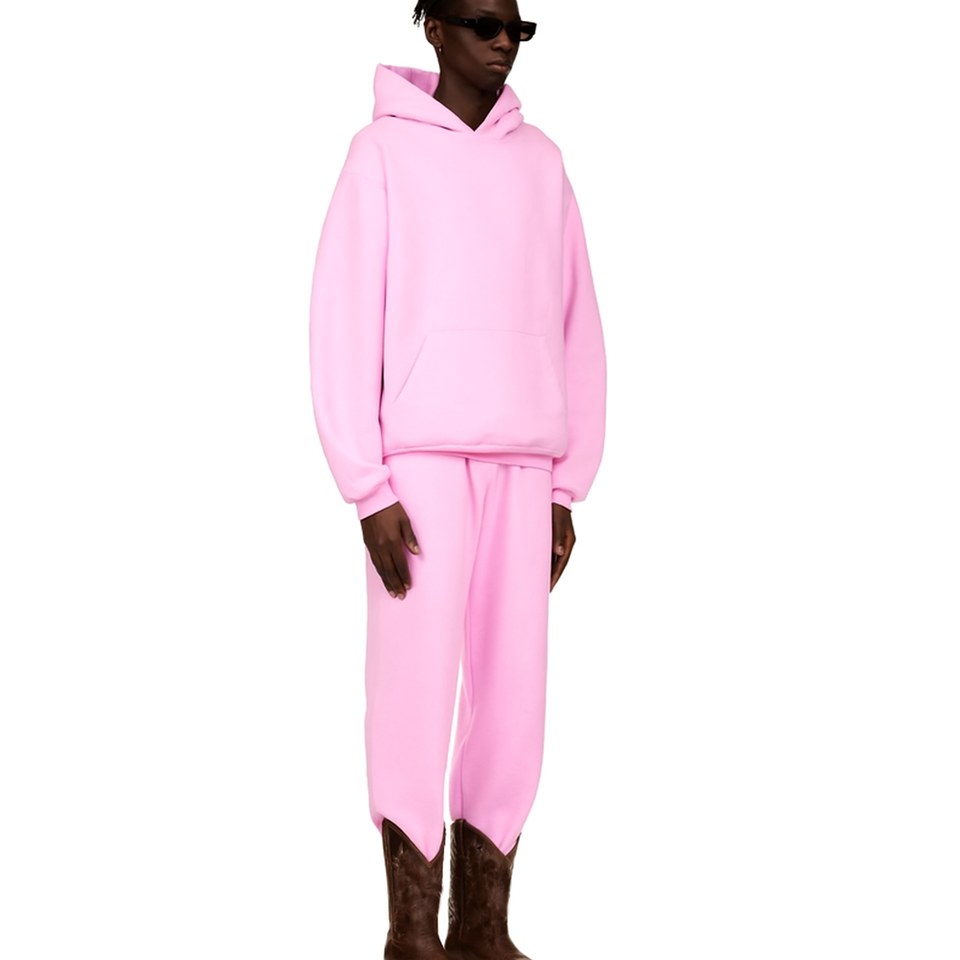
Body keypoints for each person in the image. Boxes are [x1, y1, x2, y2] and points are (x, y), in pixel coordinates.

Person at [308, 2, 606, 956]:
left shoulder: (544, 165)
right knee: (413, 689)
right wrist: (368, 487)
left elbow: (578, 324)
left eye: (520, 28)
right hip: (420, 470)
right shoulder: (379, 157)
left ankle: (483, 926)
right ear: (432, 26)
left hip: (524, 467)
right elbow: (342, 318)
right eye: (482, 22)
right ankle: (411, 933)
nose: (503, 41)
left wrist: (564, 487)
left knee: (515, 699)